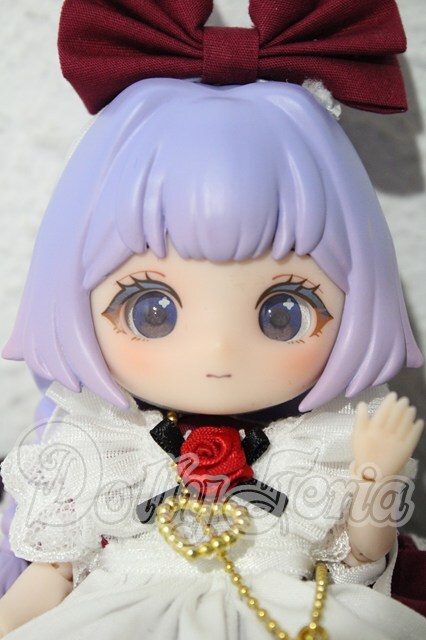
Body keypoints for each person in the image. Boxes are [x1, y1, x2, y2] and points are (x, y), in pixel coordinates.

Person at [0, 78, 425, 639]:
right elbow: (52, 573)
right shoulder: (107, 441)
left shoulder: (319, 443)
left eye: (283, 314)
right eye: (152, 311)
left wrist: (374, 477)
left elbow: (359, 562)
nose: (219, 350)